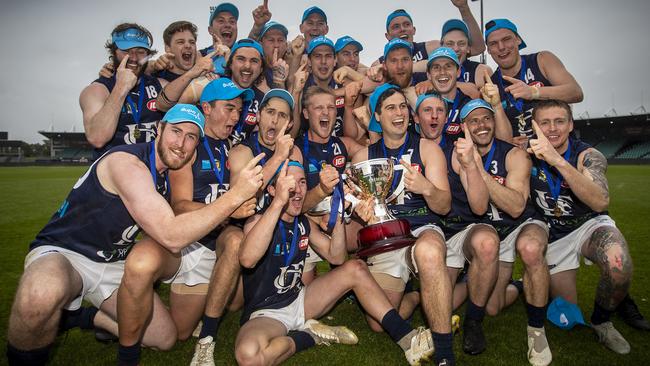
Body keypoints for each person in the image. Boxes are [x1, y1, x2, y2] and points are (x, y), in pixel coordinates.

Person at [5, 104, 264, 365]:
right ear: (159, 130)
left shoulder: (166, 175)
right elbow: (171, 235)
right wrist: (234, 197)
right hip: (68, 252)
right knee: (40, 294)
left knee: (164, 339)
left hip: (113, 261)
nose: (181, 144)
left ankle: (82, 317)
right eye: (176, 131)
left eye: (191, 138)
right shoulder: (126, 162)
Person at [235, 161, 435, 366]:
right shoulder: (256, 221)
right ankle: (310, 336)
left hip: (301, 301)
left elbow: (337, 257)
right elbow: (248, 259)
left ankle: (409, 338)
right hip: (267, 312)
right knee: (249, 357)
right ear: (272, 189)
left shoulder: (302, 222)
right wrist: (278, 202)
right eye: (288, 183)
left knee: (355, 268)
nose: (297, 190)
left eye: (302, 182)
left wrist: (338, 212)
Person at [117, 82, 255, 366]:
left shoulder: (231, 145)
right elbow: (179, 207)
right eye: (229, 109)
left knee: (235, 249)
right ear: (207, 108)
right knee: (177, 334)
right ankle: (93, 317)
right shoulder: (190, 145)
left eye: (239, 111)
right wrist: (230, 208)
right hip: (190, 243)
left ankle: (207, 338)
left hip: (218, 239)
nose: (235, 117)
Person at [350, 85, 455, 365]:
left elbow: (444, 206)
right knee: (377, 322)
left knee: (430, 252)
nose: (399, 113)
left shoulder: (428, 148)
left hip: (422, 229)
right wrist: (361, 212)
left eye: (402, 107)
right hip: (384, 237)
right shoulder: (362, 158)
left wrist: (427, 189)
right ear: (377, 117)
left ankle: (445, 354)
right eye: (390, 108)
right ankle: (422, 296)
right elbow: (354, 209)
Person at [528, 100, 635, 354]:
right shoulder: (525, 153)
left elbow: (600, 201)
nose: (552, 128)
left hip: (588, 224)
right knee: (567, 313)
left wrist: (557, 161)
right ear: (535, 127)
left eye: (559, 121)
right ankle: (529, 282)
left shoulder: (588, 156)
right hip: (554, 235)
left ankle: (602, 321)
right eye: (545, 122)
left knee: (619, 264)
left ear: (571, 124)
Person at [460, 99, 552, 365]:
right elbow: (475, 207)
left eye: (486, 118)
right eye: (473, 121)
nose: (481, 125)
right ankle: (521, 286)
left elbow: (516, 206)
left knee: (531, 249)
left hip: (522, 224)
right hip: (492, 229)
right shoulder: (459, 156)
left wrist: (480, 170)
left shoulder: (513, 154)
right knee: (492, 307)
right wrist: (469, 164)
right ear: (464, 127)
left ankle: (536, 330)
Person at [485, 18, 583, 148]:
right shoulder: (490, 85)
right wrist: (508, 142)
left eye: (506, 39)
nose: (501, 47)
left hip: (560, 152)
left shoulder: (542, 60)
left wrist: (534, 92)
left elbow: (576, 92)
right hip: (523, 159)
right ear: (489, 50)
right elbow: (494, 131)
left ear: (518, 40)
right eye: (493, 43)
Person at [80, 24, 166, 159]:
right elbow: (97, 138)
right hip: (113, 174)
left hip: (153, 173)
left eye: (140, 51)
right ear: (113, 52)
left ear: (148, 56)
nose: (133, 57)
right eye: (126, 51)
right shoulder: (97, 90)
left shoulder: (160, 84)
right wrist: (121, 87)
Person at [379, 2, 484, 64]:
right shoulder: (380, 63)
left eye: (406, 24)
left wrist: (464, 8)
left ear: (414, 30)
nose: (402, 29)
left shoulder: (430, 48)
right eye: (396, 26)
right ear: (387, 36)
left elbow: (477, 48)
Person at [440, 19, 492, 88]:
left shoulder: (481, 71)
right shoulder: (430, 69)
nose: (456, 49)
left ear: (468, 48)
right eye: (450, 44)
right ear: (442, 47)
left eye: (461, 44)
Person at [200, 2, 239, 75]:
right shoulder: (199, 56)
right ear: (210, 30)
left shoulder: (244, 54)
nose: (227, 25)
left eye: (232, 21)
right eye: (221, 21)